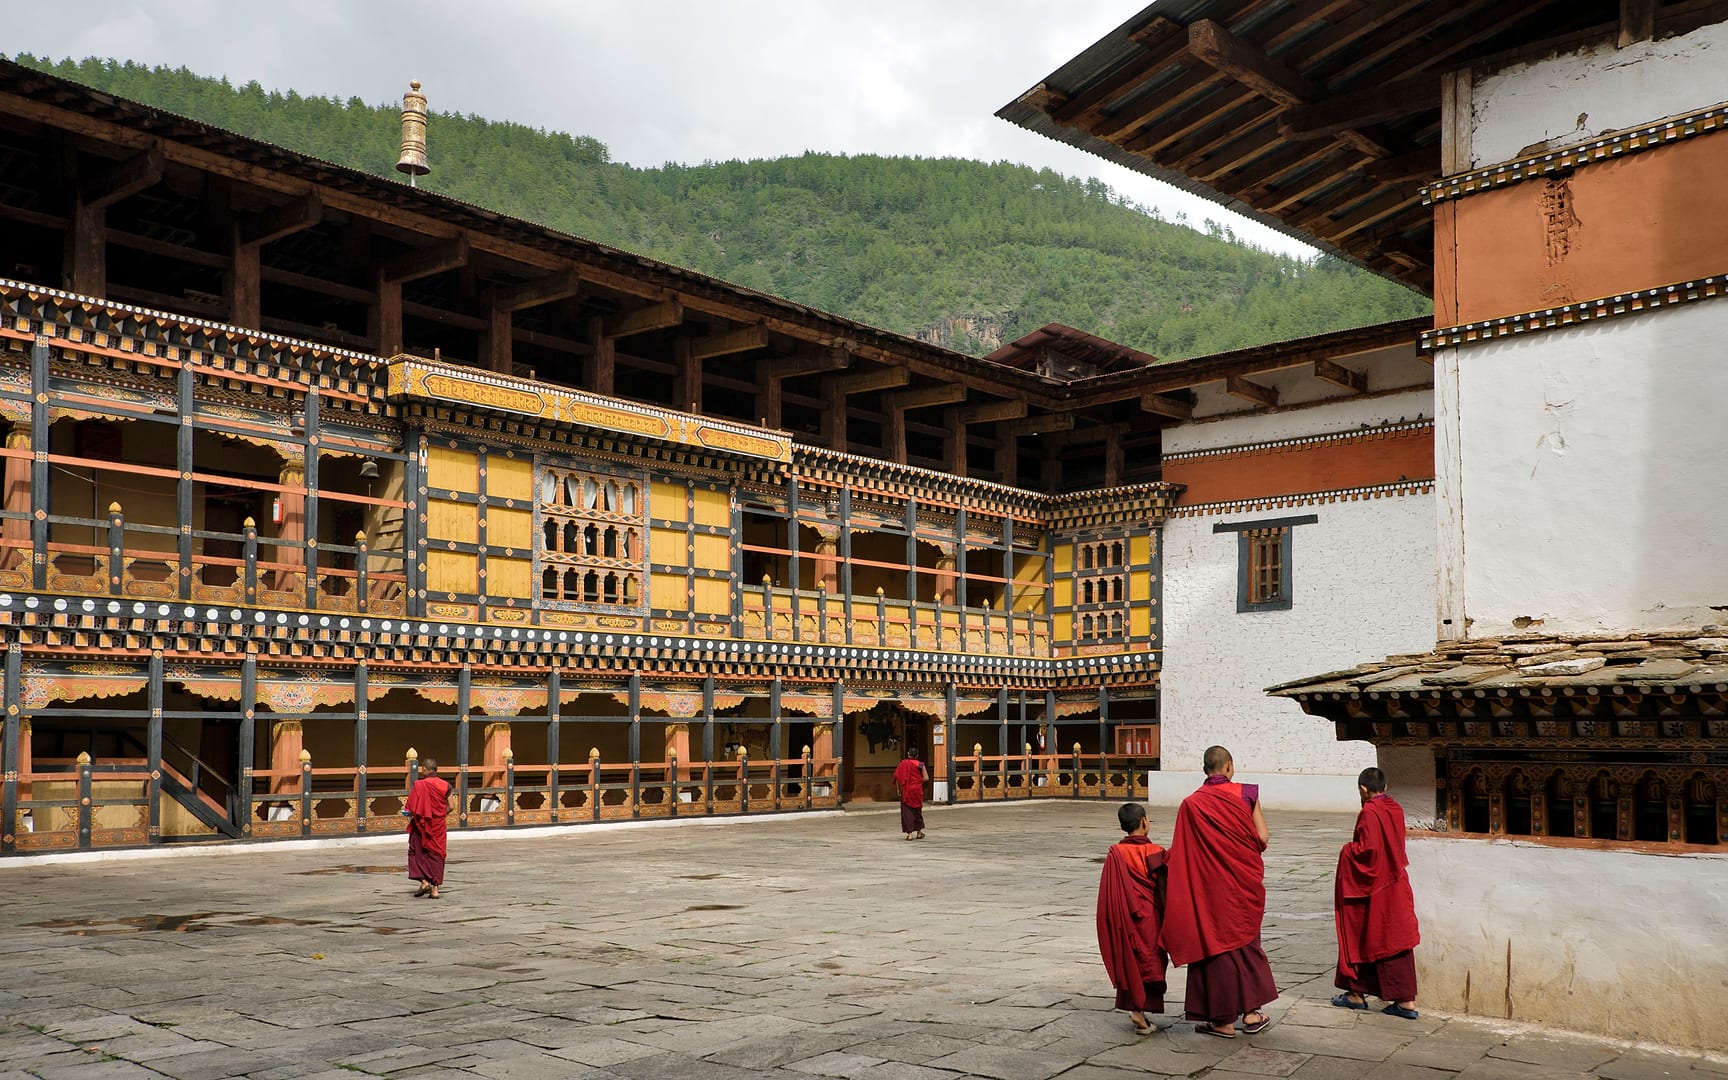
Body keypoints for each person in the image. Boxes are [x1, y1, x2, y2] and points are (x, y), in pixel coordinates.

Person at [1162, 745, 1277, 1038]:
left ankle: (1222, 1021)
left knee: (1214, 947)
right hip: (1243, 885)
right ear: (1229, 767)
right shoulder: (1247, 793)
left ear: (1205, 770)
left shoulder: (1191, 804)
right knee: (1246, 943)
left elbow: (1183, 850)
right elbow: (1262, 837)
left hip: (1209, 889)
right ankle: (1251, 1014)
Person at [1332, 767, 1421, 1019]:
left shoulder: (1370, 811)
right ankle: (1403, 1002)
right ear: (1386, 786)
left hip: (1374, 888)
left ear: (1362, 789)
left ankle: (1356, 994)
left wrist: (1346, 851)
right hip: (1395, 883)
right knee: (1394, 938)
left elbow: (1367, 852)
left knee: (1362, 933)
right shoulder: (1395, 808)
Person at [1096, 802, 1167, 1036]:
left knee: (1133, 962)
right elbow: (1165, 887)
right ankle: (1139, 1011)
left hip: (1126, 919)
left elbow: (1109, 893)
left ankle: (1139, 1010)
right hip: (1150, 919)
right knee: (1151, 961)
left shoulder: (1116, 854)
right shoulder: (1155, 851)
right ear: (1145, 822)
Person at [405, 757, 451, 899]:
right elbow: (452, 806)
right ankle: (435, 890)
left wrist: (412, 813)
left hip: (421, 825)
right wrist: (439, 815)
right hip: (438, 826)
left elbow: (411, 808)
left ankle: (424, 882)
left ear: (424, 769)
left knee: (416, 852)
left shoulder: (419, 785)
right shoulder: (446, 785)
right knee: (437, 854)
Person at [893, 747, 928, 840]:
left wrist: (898, 790)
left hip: (906, 790)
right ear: (917, 755)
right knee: (917, 811)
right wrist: (917, 781)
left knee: (907, 812)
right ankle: (919, 833)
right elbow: (926, 778)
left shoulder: (903, 764)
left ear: (908, 754)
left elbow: (897, 777)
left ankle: (909, 834)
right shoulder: (920, 764)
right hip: (917, 790)